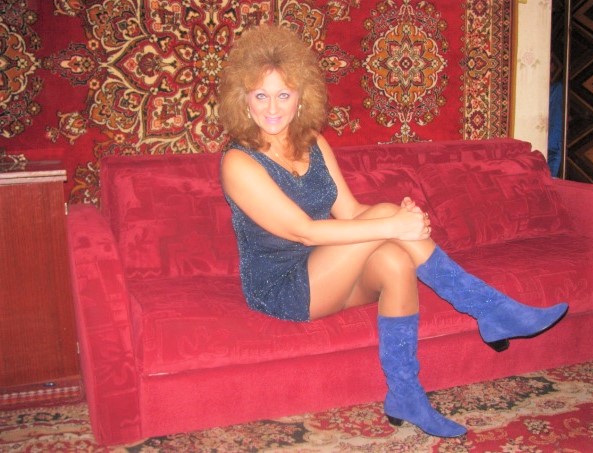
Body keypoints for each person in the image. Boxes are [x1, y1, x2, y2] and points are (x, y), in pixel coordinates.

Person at [218, 24, 568, 438]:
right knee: (386, 218)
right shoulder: (239, 162)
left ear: (301, 96)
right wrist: (390, 221)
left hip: (328, 270)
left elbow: (350, 211)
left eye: (283, 94)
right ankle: (489, 309)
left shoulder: (313, 142)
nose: (272, 107)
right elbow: (304, 232)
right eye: (260, 95)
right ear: (243, 100)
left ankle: (406, 394)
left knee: (397, 260)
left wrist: (400, 224)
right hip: (282, 286)